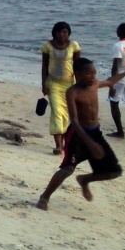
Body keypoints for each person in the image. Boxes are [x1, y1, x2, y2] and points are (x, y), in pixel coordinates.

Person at [36, 57, 125, 210]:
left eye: (94, 73)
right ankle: (44, 197)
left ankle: (85, 180)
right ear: (78, 74)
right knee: (68, 169)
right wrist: (90, 143)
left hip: (95, 133)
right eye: (89, 73)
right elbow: (74, 119)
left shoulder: (95, 84)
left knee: (114, 172)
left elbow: (110, 81)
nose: (93, 77)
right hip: (77, 135)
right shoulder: (72, 92)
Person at [41, 22, 82, 154]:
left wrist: (79, 85)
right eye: (59, 32)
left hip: (69, 83)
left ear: (68, 33)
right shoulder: (48, 46)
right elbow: (44, 66)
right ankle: (59, 146)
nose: (61, 34)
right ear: (55, 33)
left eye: (64, 32)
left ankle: (65, 143)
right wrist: (43, 84)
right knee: (57, 112)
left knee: (67, 114)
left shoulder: (74, 46)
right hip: (53, 83)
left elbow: (78, 67)